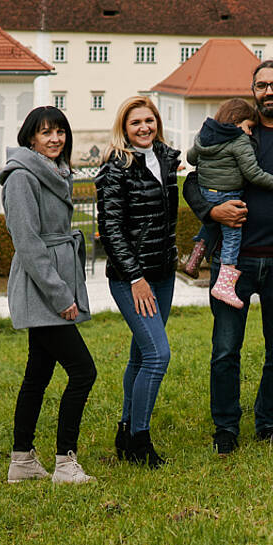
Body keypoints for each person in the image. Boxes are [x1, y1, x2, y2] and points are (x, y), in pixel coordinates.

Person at [184, 60, 273, 454]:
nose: (269, 92)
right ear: (253, 89)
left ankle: (268, 424)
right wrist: (211, 212)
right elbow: (192, 181)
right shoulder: (231, 129)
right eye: (262, 85)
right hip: (232, 262)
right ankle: (226, 430)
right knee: (225, 349)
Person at [1, 105, 96, 484]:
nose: (55, 138)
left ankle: (21, 460)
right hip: (41, 287)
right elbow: (28, 244)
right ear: (30, 138)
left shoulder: (54, 172)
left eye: (60, 131)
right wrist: (60, 295)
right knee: (83, 371)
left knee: (37, 374)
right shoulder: (22, 178)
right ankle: (64, 462)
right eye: (45, 132)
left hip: (52, 280)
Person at [94, 95, 181, 468]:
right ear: (123, 128)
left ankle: (126, 430)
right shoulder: (116, 167)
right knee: (158, 355)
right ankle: (140, 441)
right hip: (133, 279)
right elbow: (110, 229)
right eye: (135, 123)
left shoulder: (165, 158)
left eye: (149, 120)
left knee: (141, 355)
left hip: (164, 273)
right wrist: (135, 277)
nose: (144, 127)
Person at [185, 97, 273, 307]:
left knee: (211, 223)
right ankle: (224, 285)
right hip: (228, 194)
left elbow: (191, 158)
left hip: (207, 192)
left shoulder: (205, 133)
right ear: (236, 120)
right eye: (249, 127)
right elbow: (253, 173)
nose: (250, 132)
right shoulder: (238, 140)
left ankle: (196, 256)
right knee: (232, 236)